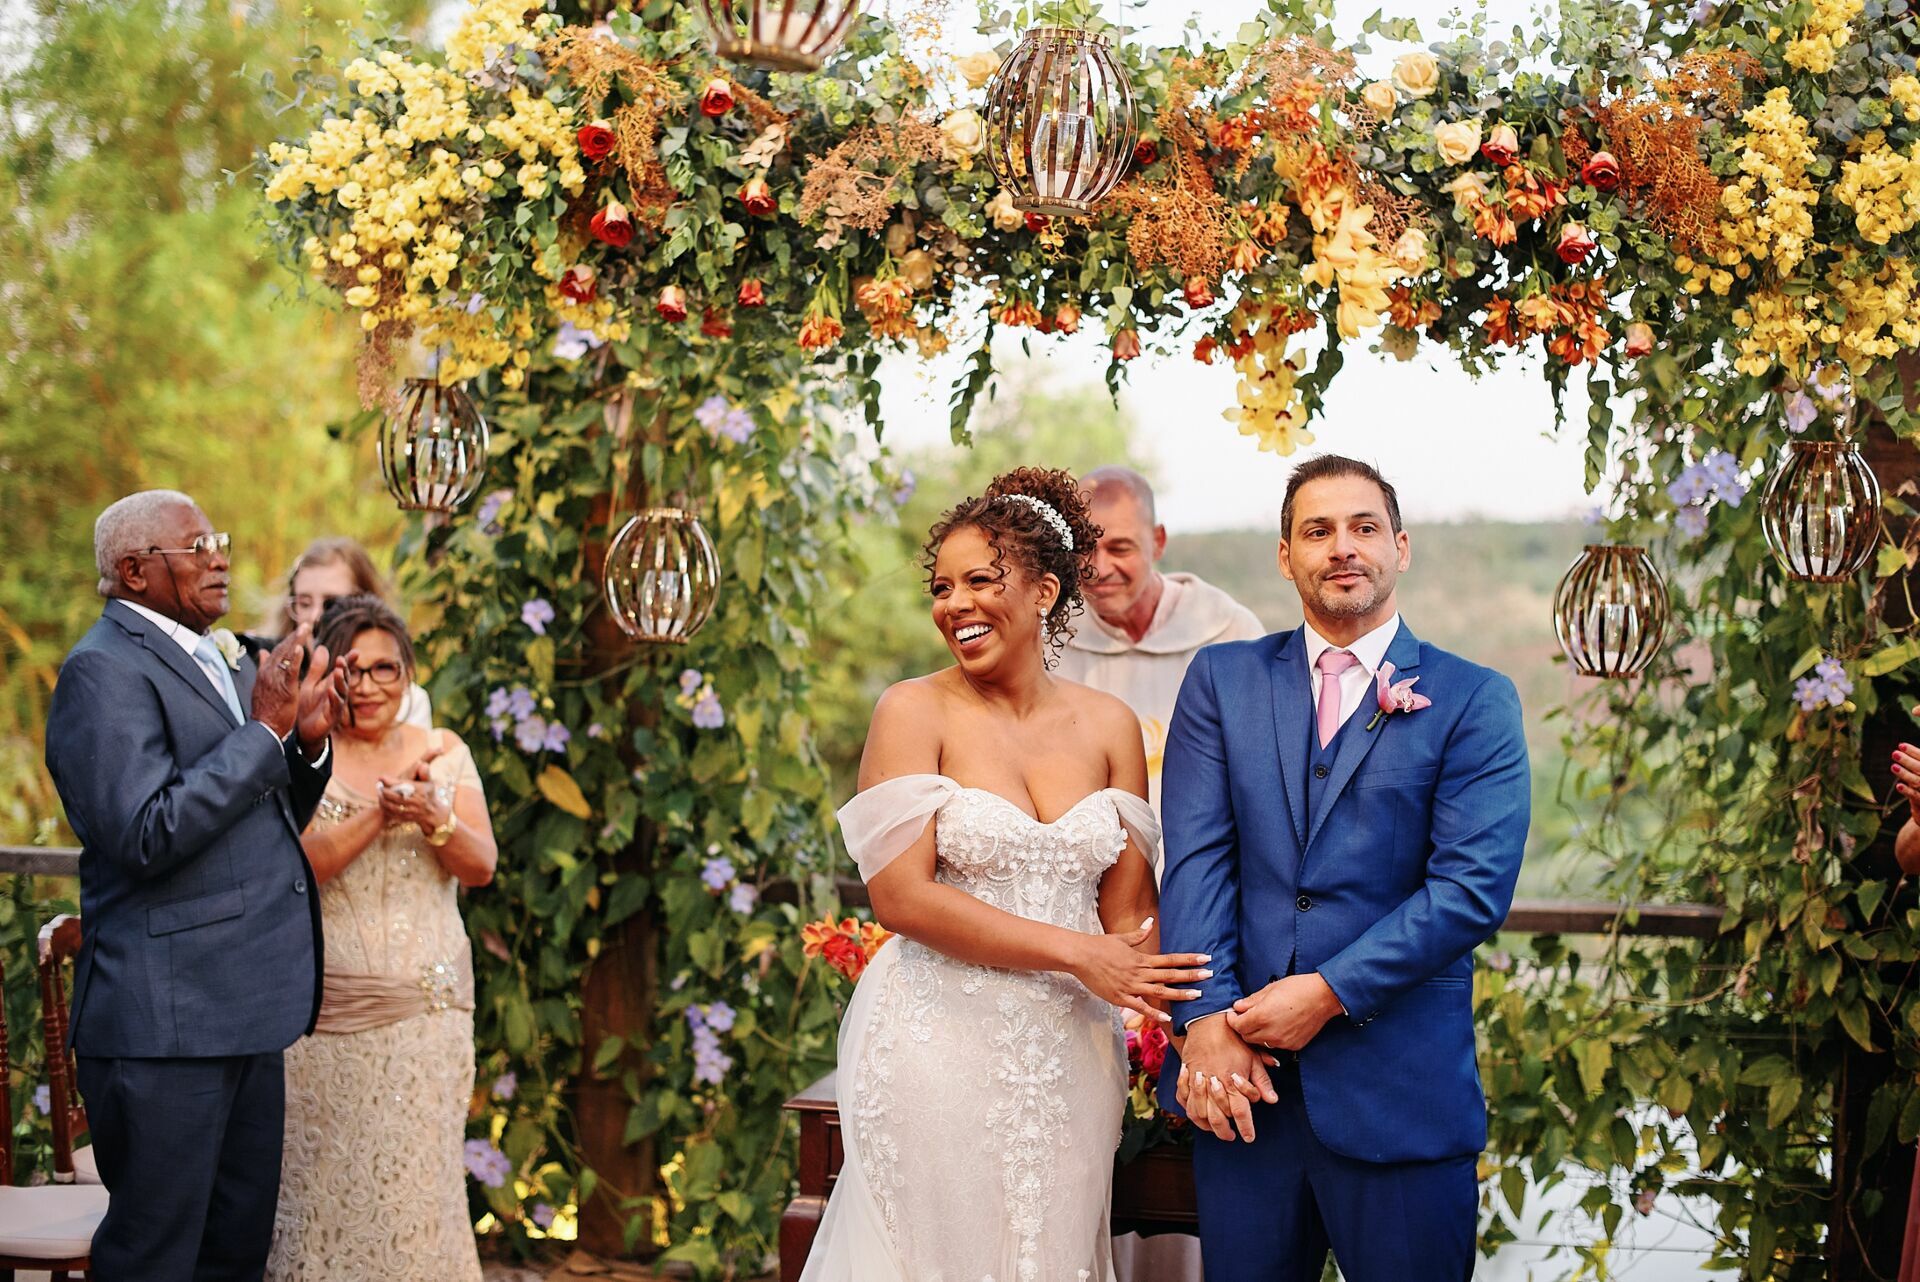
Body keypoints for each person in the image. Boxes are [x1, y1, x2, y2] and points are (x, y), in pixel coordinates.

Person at [799, 467, 1212, 1282]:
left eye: (981, 580)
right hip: (932, 1041)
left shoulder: (1109, 726)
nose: (956, 604)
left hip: (1072, 1056)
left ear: (1044, 591)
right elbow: (901, 897)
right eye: (943, 587)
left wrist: (1205, 1022)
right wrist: (1078, 953)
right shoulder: (912, 711)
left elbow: (1131, 916)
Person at [1159, 455, 1530, 1282]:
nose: (1343, 548)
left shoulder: (1475, 700)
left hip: (1399, 1095)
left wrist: (1326, 993)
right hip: (1240, 1095)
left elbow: (1469, 893)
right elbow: (1194, 862)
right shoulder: (1221, 682)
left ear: (1401, 547)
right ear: (1285, 557)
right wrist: (1204, 1026)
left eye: (1364, 527)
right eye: (1317, 531)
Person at [43, 489, 351, 1281]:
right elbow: (144, 832)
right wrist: (261, 733)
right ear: (136, 570)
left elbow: (260, 816)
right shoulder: (99, 671)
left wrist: (303, 748)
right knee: (155, 1261)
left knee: (233, 1255)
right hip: (165, 1029)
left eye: (220, 538)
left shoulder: (228, 659)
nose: (220, 556)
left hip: (245, 1010)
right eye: (198, 545)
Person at [268, 594, 497, 1281]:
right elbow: (300, 865)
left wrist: (436, 817)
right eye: (354, 670)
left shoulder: (443, 751)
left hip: (429, 1025)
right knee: (321, 1196)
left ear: (408, 674)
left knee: (416, 1194)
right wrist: (379, 814)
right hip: (327, 1019)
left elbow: (481, 865)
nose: (369, 686)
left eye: (385, 670)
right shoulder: (306, 755)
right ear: (330, 675)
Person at [1056, 466, 1264, 814]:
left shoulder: (1231, 633)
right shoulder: (1050, 644)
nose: (1098, 567)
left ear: (1158, 541)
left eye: (1120, 549)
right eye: (1084, 548)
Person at [267, 536, 431, 728]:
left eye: (331, 603)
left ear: (365, 602)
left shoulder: (405, 702)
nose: (315, 616)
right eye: (304, 603)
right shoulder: (276, 695)